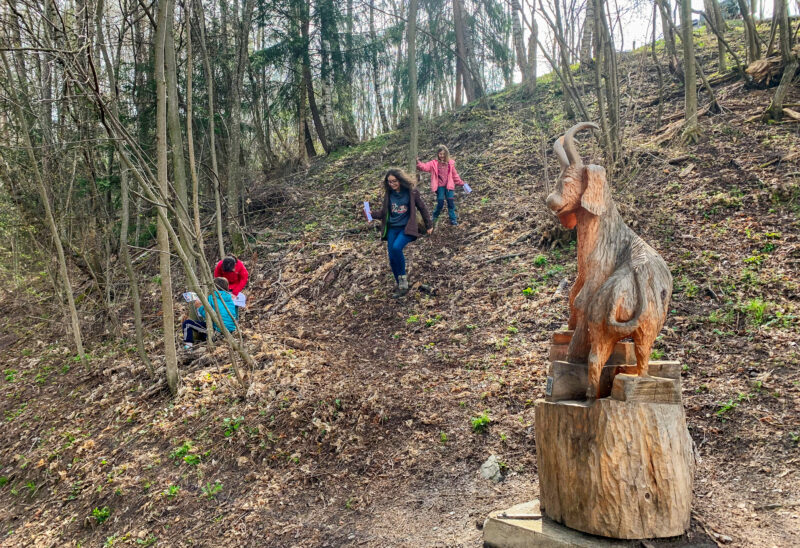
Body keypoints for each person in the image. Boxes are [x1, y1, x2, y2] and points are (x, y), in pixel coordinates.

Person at [369, 168, 433, 297]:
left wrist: (429, 224)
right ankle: (401, 285)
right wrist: (371, 214)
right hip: (392, 228)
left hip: (406, 229)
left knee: (397, 248)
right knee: (392, 258)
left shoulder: (411, 192)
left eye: (394, 181)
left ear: (400, 180)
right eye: (389, 182)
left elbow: (422, 207)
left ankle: (403, 281)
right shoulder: (389, 195)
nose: (392, 184)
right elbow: (384, 213)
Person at [181, 277, 239, 349]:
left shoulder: (212, 297)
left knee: (187, 324)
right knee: (202, 334)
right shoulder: (230, 298)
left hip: (218, 331)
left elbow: (209, 316)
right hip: (230, 330)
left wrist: (200, 307)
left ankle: (188, 346)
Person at [416, 144, 465, 226]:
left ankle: (453, 220)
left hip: (449, 186)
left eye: (443, 154)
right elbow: (424, 167)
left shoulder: (450, 164)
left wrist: (461, 183)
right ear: (438, 154)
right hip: (440, 186)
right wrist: (418, 162)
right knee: (440, 202)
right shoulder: (434, 163)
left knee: (450, 202)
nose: (442, 156)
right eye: (440, 154)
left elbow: (455, 175)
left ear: (446, 154)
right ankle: (434, 218)